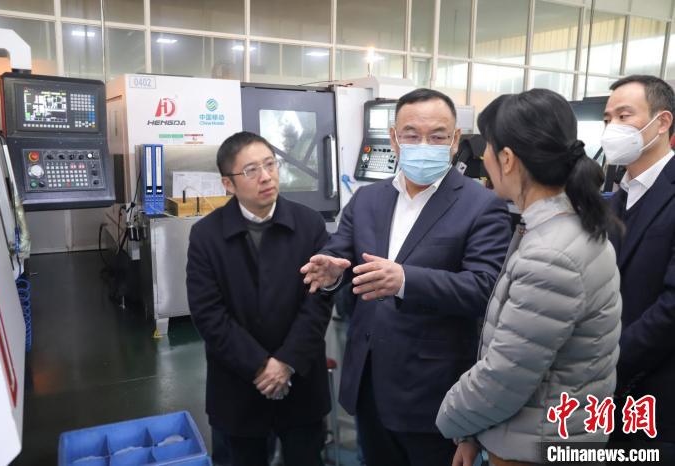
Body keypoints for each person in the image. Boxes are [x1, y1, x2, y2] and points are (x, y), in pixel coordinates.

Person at [301, 88, 511, 466]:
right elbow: (339, 252)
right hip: (369, 382)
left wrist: (405, 281)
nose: (423, 145)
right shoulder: (367, 199)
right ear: (394, 139)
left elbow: (485, 287)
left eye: (437, 136)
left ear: (455, 140)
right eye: (412, 135)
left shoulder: (482, 206)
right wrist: (331, 273)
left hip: (434, 390)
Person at [436, 89, 622, 466]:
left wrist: (448, 420)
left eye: (487, 150)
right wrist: (474, 432)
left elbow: (505, 377)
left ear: (507, 159)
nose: (483, 160)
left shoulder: (551, 254)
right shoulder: (562, 225)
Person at [186, 131, 332, 466]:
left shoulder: (309, 224)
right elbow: (208, 314)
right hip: (237, 388)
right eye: (251, 170)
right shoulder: (206, 235)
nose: (266, 176)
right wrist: (261, 366)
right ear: (228, 183)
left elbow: (319, 302)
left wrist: (287, 362)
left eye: (270, 164)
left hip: (300, 383)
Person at [602, 75, 675, 461]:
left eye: (624, 115)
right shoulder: (612, 200)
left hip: (656, 397)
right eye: (608, 118)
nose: (612, 127)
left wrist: (608, 361)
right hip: (601, 399)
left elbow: (671, 308)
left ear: (662, 122)